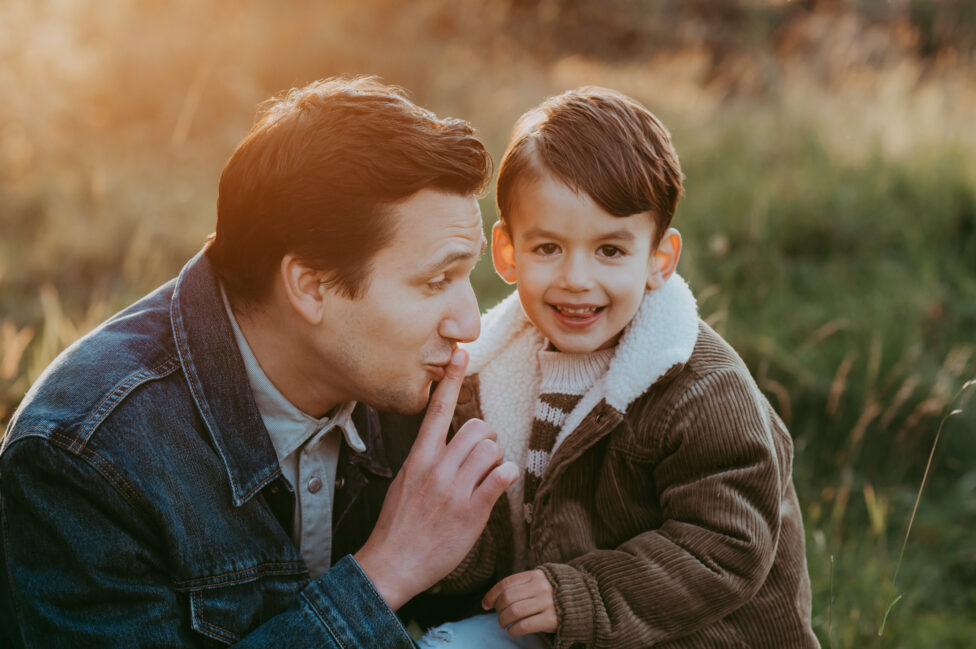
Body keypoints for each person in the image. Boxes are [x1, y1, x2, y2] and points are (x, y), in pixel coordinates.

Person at [0, 76, 519, 648]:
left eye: (467, 276)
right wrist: (385, 574)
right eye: (437, 280)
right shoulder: (83, 456)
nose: (469, 324)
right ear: (311, 286)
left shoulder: (417, 380)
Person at [418, 87, 820, 648]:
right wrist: (440, 564)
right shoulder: (489, 373)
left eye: (610, 251)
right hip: (562, 625)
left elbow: (725, 546)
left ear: (659, 260)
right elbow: (497, 522)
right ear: (507, 253)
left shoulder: (700, 389)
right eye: (548, 248)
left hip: (696, 635)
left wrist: (578, 595)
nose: (576, 279)